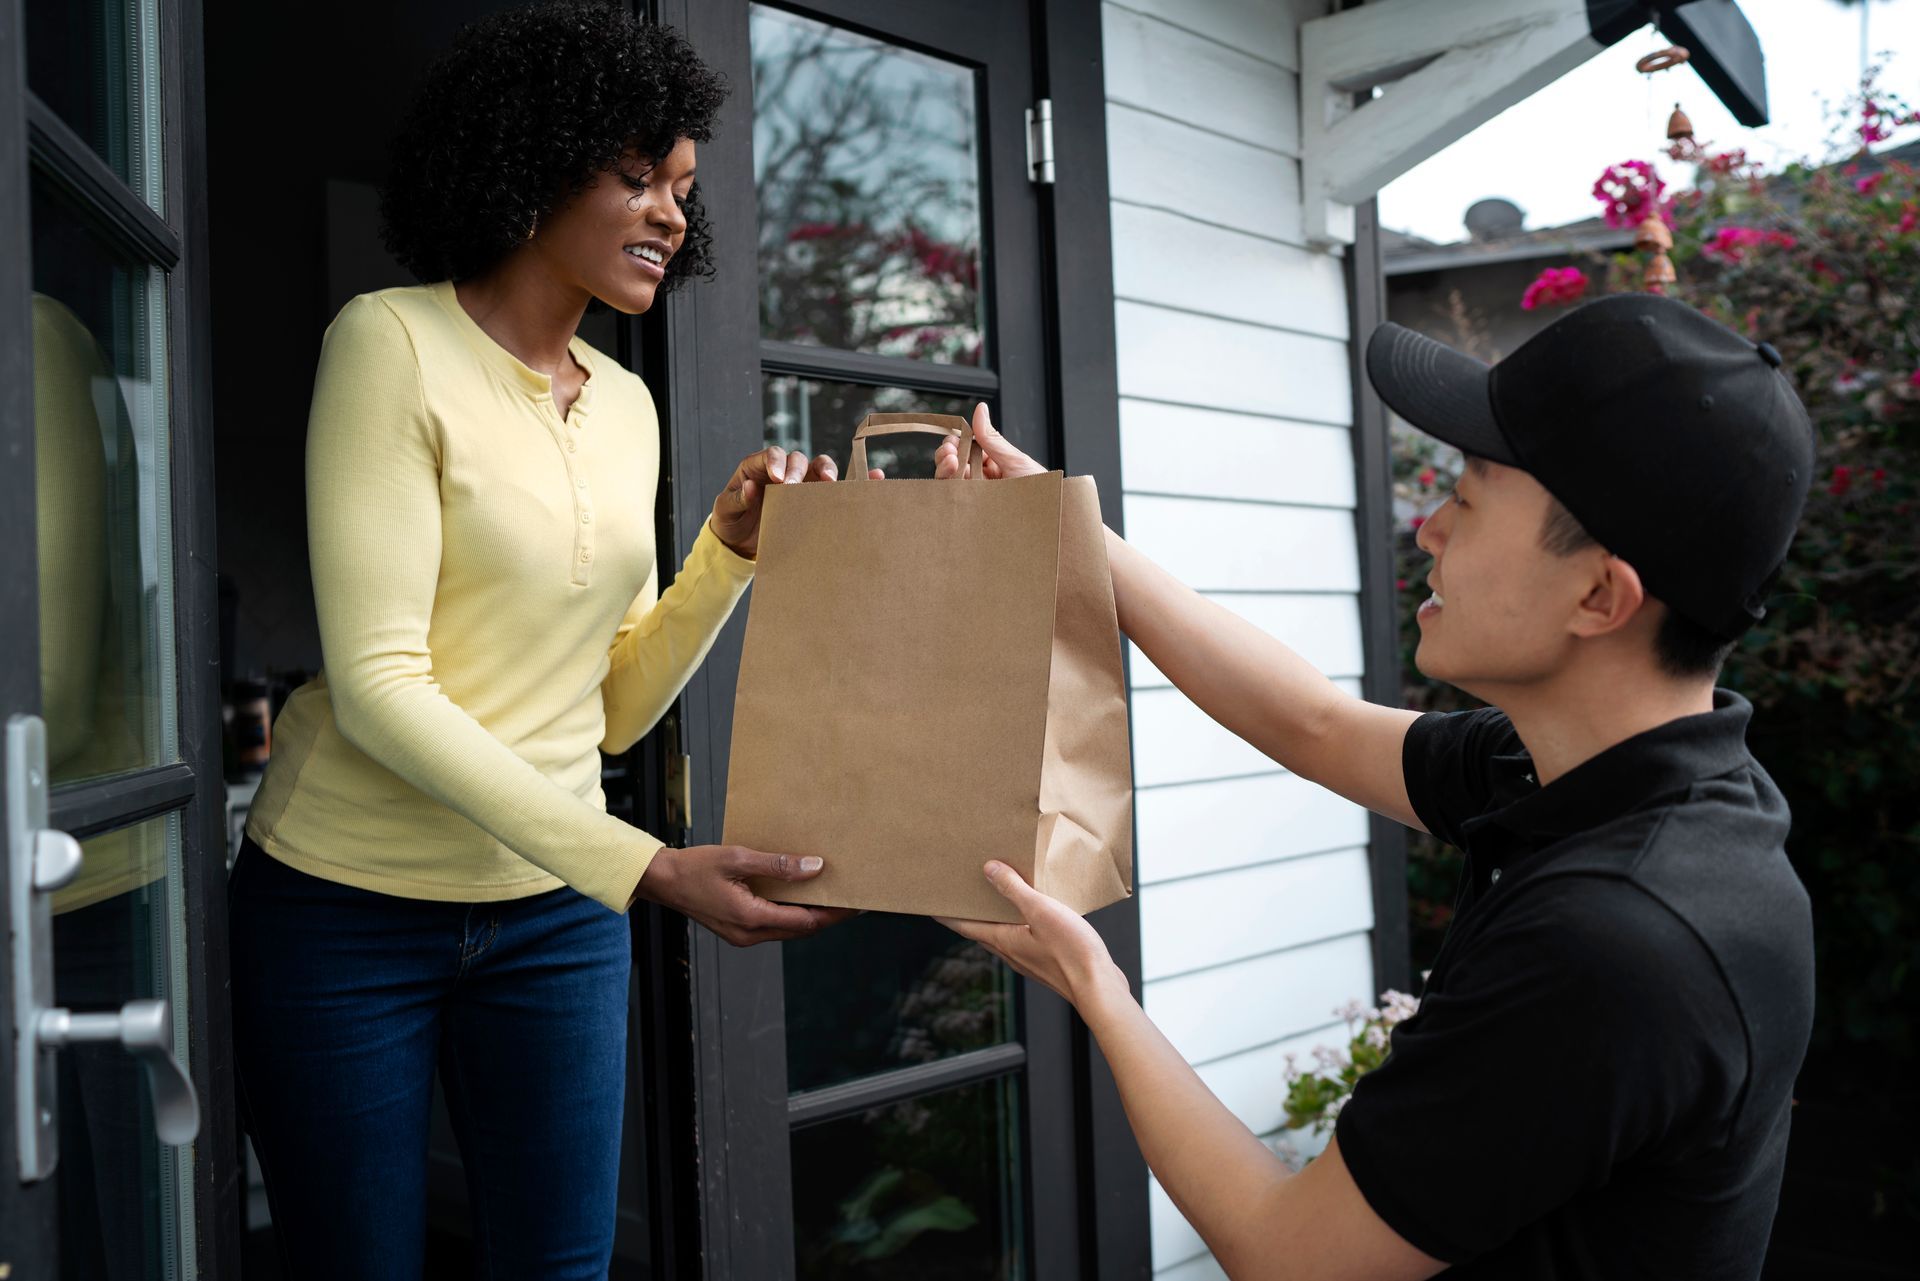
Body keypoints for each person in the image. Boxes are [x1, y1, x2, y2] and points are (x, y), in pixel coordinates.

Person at [936, 293, 1817, 1280]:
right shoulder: (1612, 777)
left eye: (1472, 497)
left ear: (1599, 596)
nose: (1428, 527)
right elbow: (1314, 723)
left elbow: (1289, 1257)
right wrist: (1072, 531)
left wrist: (1095, 988)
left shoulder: (1617, 941)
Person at [228, 5, 854, 1276]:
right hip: (346, 915)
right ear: (528, 166)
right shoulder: (389, 343)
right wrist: (647, 868)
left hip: (555, 916)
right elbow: (381, 690)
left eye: (682, 187)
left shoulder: (625, 405)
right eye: (636, 177)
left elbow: (609, 710)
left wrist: (728, 555)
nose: (674, 214)